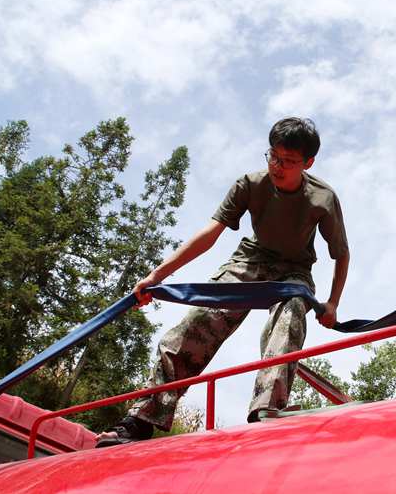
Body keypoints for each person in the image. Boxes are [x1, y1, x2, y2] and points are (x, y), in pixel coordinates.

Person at [97, 117, 349, 446]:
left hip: (293, 271)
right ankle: (143, 418)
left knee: (290, 318)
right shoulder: (250, 184)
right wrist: (157, 275)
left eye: (288, 162)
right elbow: (209, 234)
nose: (277, 166)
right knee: (198, 323)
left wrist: (332, 304)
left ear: (308, 163)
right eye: (273, 156)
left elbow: (341, 254)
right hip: (251, 259)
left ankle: (266, 410)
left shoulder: (322, 198)